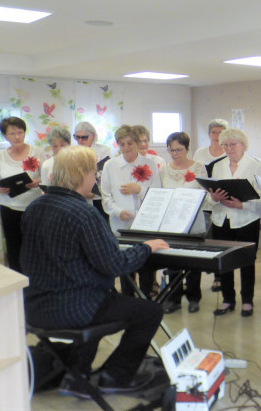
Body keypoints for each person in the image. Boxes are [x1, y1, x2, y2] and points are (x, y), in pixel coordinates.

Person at [21, 145, 168, 399]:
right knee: (150, 311)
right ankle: (116, 377)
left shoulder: (35, 207)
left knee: (103, 295)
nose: (96, 178)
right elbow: (115, 265)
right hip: (73, 309)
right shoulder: (84, 213)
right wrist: (145, 248)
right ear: (80, 174)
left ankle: (77, 376)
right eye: (93, 173)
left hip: (35, 307)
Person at [100, 125, 161, 296]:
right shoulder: (111, 165)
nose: (126, 147)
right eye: (122, 144)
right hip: (121, 223)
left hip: (145, 224)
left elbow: (157, 195)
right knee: (125, 264)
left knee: (146, 264)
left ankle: (147, 296)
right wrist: (118, 211)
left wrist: (138, 190)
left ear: (137, 142)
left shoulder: (150, 164)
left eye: (130, 143)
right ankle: (128, 297)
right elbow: (105, 195)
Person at [209, 128, 261, 317]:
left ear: (243, 145)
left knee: (247, 262)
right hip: (221, 219)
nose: (228, 148)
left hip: (246, 220)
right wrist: (214, 198)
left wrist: (243, 205)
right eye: (225, 145)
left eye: (233, 144)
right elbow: (210, 198)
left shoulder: (255, 165)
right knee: (225, 262)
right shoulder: (218, 166)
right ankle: (227, 300)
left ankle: (247, 301)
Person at [159, 132, 208, 314]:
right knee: (173, 262)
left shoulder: (199, 168)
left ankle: (194, 297)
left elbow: (204, 194)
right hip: (171, 222)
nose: (175, 153)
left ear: (187, 148)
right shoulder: (164, 169)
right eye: (171, 150)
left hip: (193, 220)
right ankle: (174, 298)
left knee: (193, 262)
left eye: (179, 149)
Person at [0, 116, 42, 273]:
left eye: (20, 132)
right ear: (5, 136)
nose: (17, 137)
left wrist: (37, 182)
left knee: (35, 245)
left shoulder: (37, 152)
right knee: (13, 246)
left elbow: (48, 176)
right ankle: (18, 279)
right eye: (12, 133)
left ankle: (36, 280)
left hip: (33, 207)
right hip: (9, 207)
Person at [192, 118, 228, 293]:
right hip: (204, 201)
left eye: (221, 132)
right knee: (204, 241)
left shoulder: (228, 152)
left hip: (221, 201)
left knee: (217, 242)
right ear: (209, 134)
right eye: (214, 132)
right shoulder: (200, 153)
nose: (217, 135)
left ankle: (218, 277)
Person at [74, 121, 111, 220]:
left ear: (93, 136)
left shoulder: (103, 150)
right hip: (80, 196)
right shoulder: (73, 152)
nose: (80, 141)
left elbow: (104, 174)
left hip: (99, 196)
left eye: (84, 137)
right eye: (77, 137)